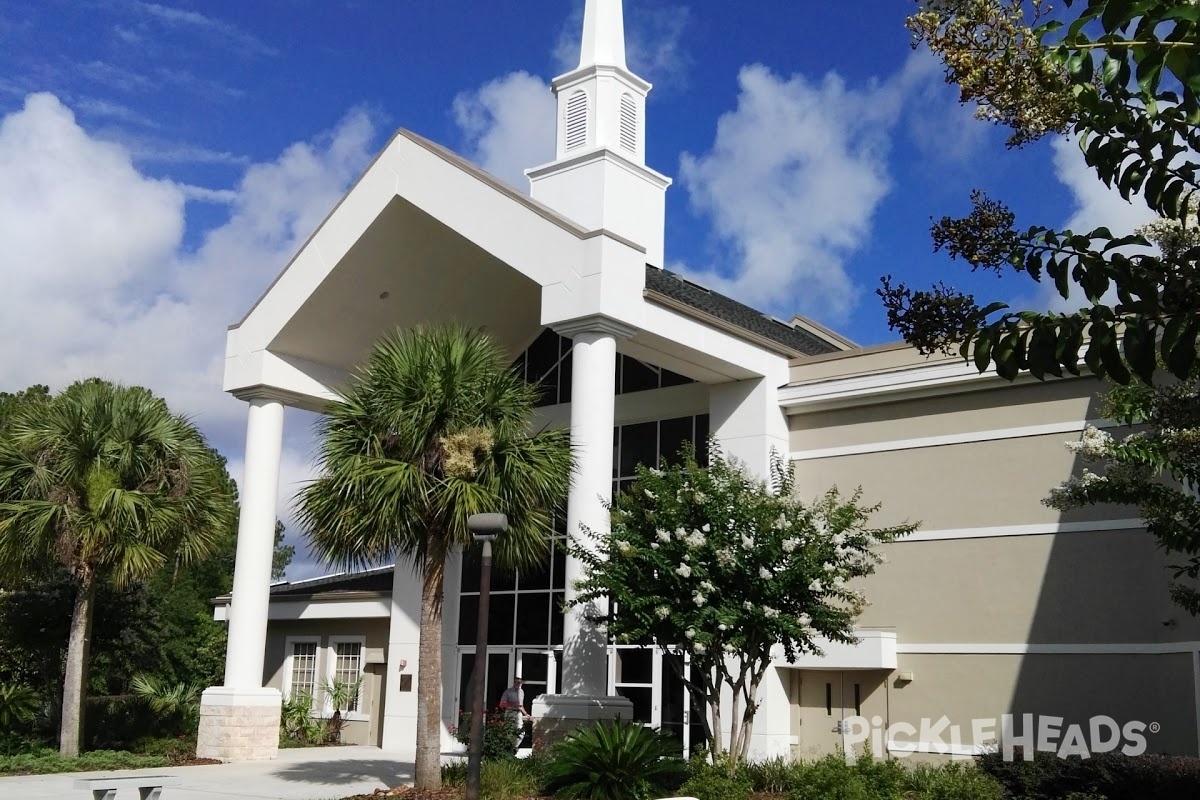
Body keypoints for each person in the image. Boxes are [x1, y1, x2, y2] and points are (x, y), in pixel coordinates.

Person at [498, 677, 532, 749]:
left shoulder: (521, 692)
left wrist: (526, 714)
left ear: (521, 684)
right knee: (509, 731)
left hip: (518, 713)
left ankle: (515, 747)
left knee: (521, 731)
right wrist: (513, 704)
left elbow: (520, 705)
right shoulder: (508, 692)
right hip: (510, 713)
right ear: (513, 683)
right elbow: (502, 704)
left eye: (519, 682)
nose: (517, 684)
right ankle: (509, 747)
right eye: (515, 682)